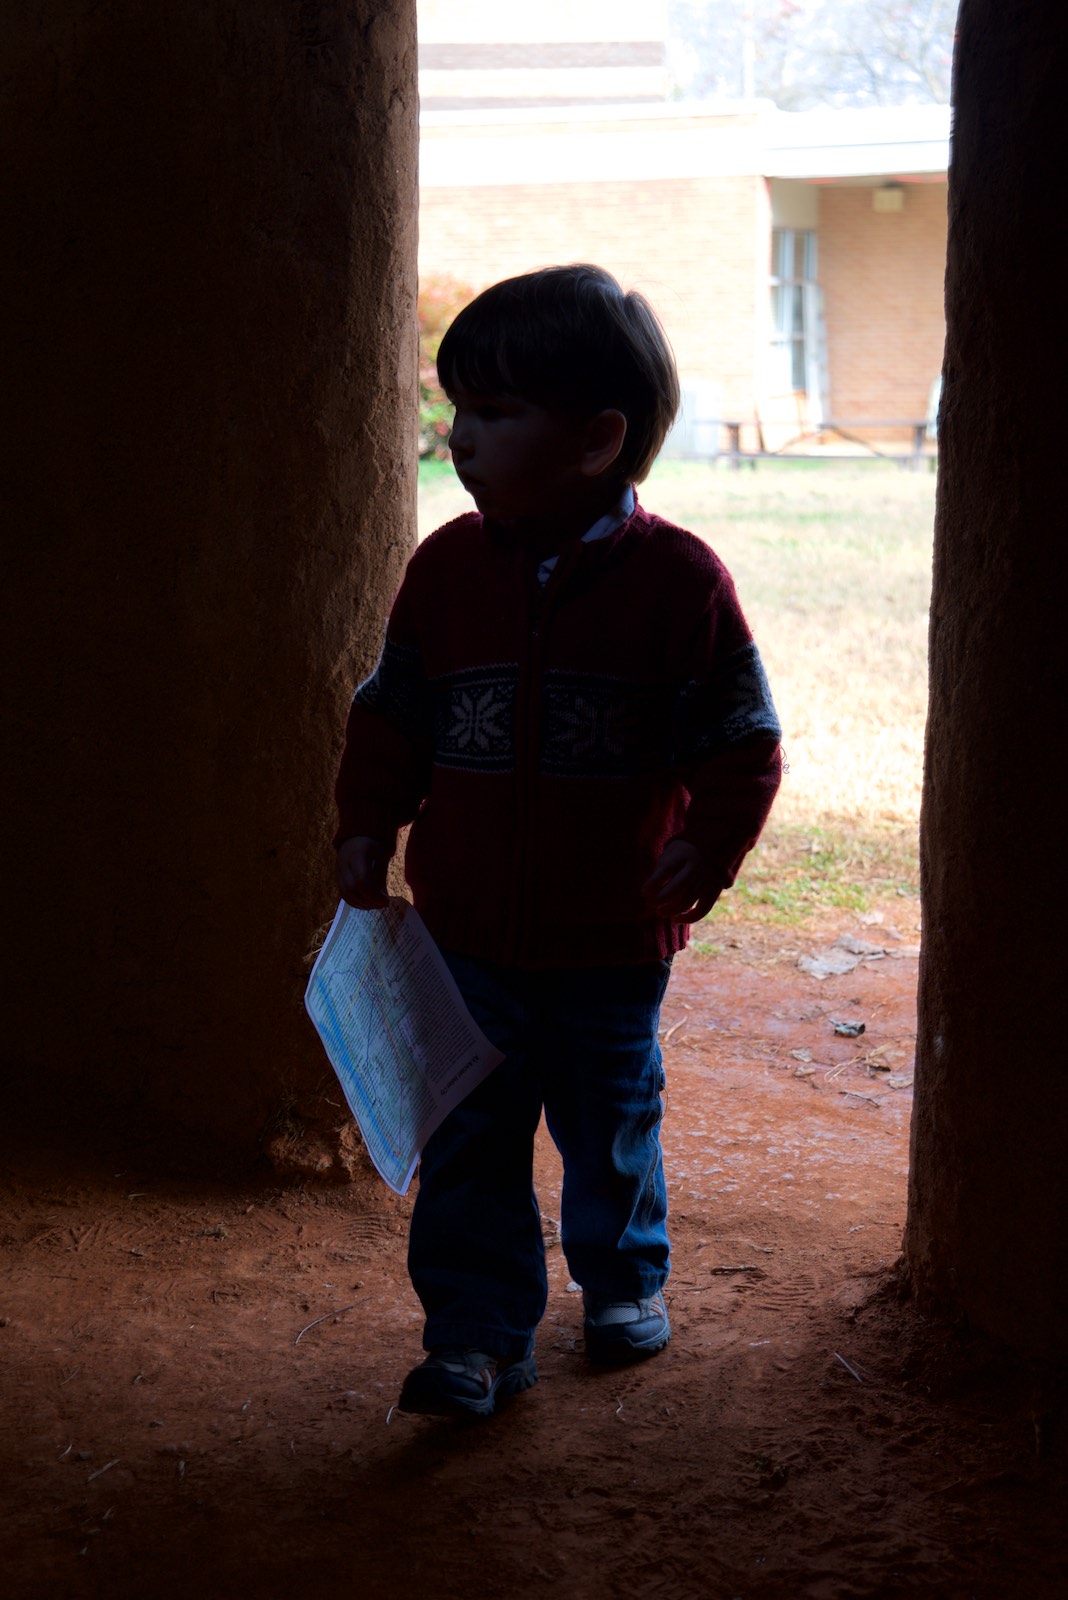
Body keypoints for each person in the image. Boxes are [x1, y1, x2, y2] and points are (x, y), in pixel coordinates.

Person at [333, 264, 781, 1419]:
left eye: (494, 412)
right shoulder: (445, 571)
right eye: (459, 409)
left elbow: (741, 734)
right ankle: (475, 1335)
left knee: (610, 1116)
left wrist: (712, 847)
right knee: (469, 1130)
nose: (461, 436)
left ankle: (623, 1278)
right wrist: (367, 823)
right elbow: (394, 713)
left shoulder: (680, 584)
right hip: (467, 937)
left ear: (595, 441)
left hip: (612, 941)